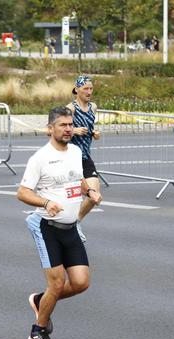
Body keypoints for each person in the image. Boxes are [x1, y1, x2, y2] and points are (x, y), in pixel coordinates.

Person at [17, 106, 102, 339]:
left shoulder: (75, 151)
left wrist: (90, 191)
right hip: (47, 228)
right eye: (63, 125)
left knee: (81, 283)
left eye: (70, 125)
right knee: (56, 283)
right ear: (50, 128)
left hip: (71, 227)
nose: (68, 129)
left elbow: (78, 179)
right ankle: (37, 330)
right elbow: (22, 193)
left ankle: (40, 300)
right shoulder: (40, 158)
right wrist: (46, 202)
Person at [66, 75, 101, 242]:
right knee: (66, 198)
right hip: (69, 159)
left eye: (91, 88)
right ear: (77, 89)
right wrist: (73, 131)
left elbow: (90, 127)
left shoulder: (93, 107)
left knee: (94, 196)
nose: (89, 92)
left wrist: (94, 133)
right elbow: (51, 131)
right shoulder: (70, 109)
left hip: (85, 157)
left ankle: (76, 222)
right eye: (86, 88)